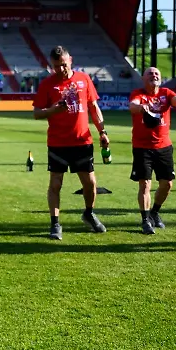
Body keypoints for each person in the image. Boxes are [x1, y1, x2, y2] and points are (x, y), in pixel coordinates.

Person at [32, 46, 109, 240]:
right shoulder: (47, 84)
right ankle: (55, 223)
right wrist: (53, 110)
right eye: (56, 66)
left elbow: (94, 107)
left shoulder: (84, 79)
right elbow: (37, 113)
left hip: (82, 141)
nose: (60, 69)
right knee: (55, 184)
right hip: (58, 143)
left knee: (90, 183)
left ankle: (89, 213)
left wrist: (102, 132)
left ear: (70, 60)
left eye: (63, 64)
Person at [128, 67, 176, 234]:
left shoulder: (166, 93)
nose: (154, 75)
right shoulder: (138, 93)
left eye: (156, 73)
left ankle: (154, 212)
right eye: (150, 73)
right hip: (142, 147)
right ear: (143, 78)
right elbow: (133, 105)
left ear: (161, 78)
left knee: (167, 184)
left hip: (164, 147)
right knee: (145, 184)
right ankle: (145, 220)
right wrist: (141, 107)